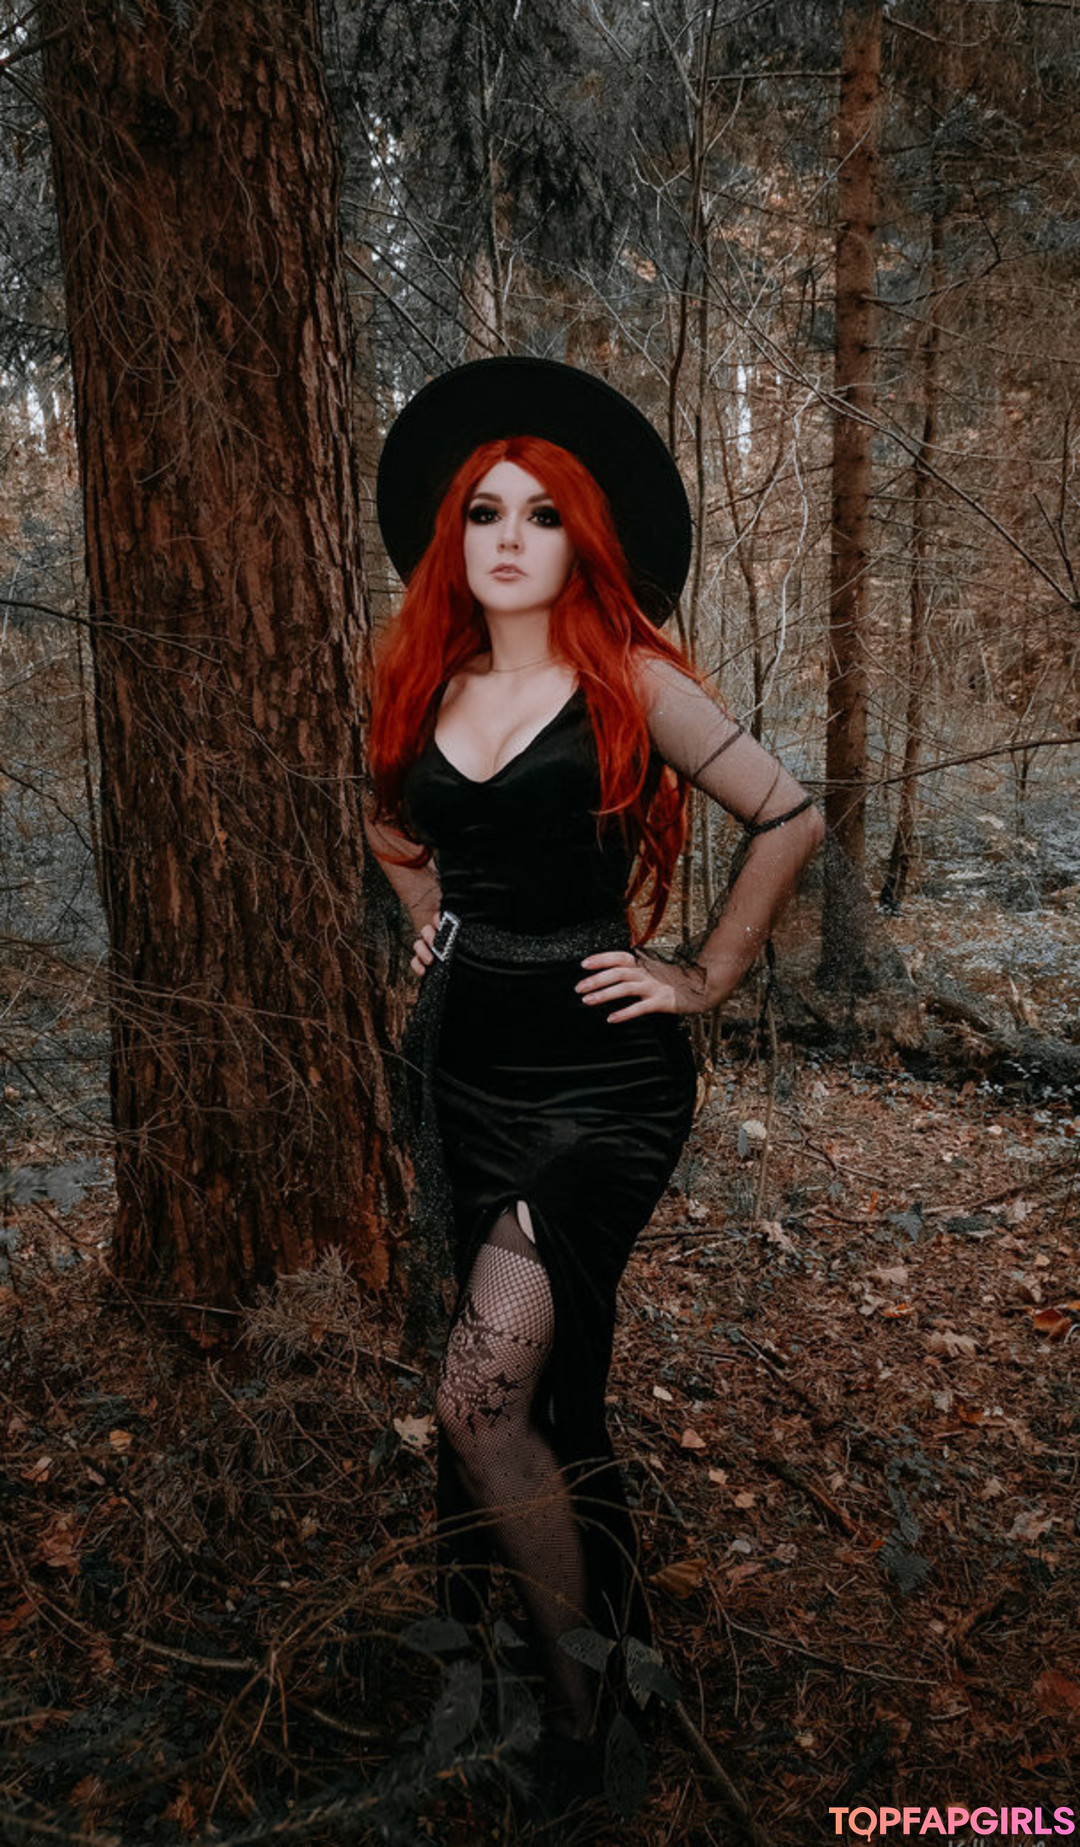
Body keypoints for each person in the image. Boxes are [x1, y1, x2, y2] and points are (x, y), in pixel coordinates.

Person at [364, 358, 823, 1759]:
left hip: (604, 1083)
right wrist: (434, 927)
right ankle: (563, 1659)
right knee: (531, 1397)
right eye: (486, 512)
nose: (509, 537)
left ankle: (583, 1724)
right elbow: (389, 824)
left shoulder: (630, 678)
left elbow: (789, 813)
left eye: (544, 514)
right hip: (465, 1070)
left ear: (585, 541)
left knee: (477, 1393)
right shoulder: (424, 683)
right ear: (454, 536)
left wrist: (707, 973)